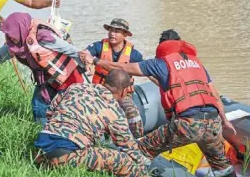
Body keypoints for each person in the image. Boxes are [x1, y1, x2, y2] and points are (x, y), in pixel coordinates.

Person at [81, 29, 238, 177]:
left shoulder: (160, 63)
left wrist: (95, 60)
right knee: (223, 167)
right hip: (213, 123)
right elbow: (215, 96)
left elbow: (122, 67)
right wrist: (225, 121)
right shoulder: (197, 64)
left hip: (187, 124)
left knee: (140, 149)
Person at [34, 70, 150, 177]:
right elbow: (128, 147)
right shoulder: (115, 111)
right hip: (64, 156)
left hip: (38, 152)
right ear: (125, 91)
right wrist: (145, 164)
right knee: (123, 160)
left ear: (104, 81)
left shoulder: (75, 87)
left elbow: (50, 111)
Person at [0, 12, 84, 126]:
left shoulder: (44, 37)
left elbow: (71, 50)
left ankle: (76, 135)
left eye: (12, 33)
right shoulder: (19, 41)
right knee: (38, 108)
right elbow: (7, 51)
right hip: (46, 80)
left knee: (70, 110)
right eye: (9, 34)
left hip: (67, 78)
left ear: (21, 29)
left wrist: (88, 62)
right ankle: (43, 133)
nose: (10, 37)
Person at [84, 18, 144, 138]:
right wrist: (88, 64)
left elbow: (146, 71)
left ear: (125, 34)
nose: (112, 33)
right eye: (111, 30)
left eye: (117, 31)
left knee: (132, 113)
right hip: (100, 93)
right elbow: (84, 53)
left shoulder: (134, 55)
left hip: (123, 95)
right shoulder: (99, 46)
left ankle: (136, 139)